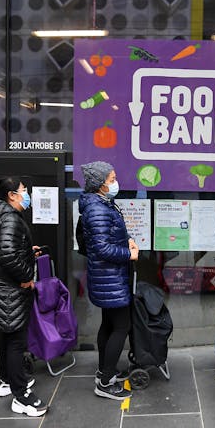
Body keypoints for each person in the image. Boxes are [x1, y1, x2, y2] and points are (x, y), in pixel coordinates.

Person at [0, 177, 47, 417]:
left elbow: (7, 249)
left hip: (1, 288)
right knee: (16, 342)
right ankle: (22, 397)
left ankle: (5, 381)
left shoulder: (0, 216)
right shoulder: (10, 218)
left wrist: (26, 252)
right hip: (10, 290)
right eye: (24, 190)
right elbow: (8, 256)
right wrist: (25, 277)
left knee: (8, 336)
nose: (27, 193)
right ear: (12, 195)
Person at [79, 161, 138, 401]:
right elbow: (102, 248)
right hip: (110, 277)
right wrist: (129, 254)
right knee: (121, 327)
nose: (115, 182)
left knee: (109, 324)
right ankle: (105, 382)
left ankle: (105, 370)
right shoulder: (97, 209)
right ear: (100, 184)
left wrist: (128, 240)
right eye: (111, 178)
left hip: (108, 277)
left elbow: (110, 235)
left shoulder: (101, 203)